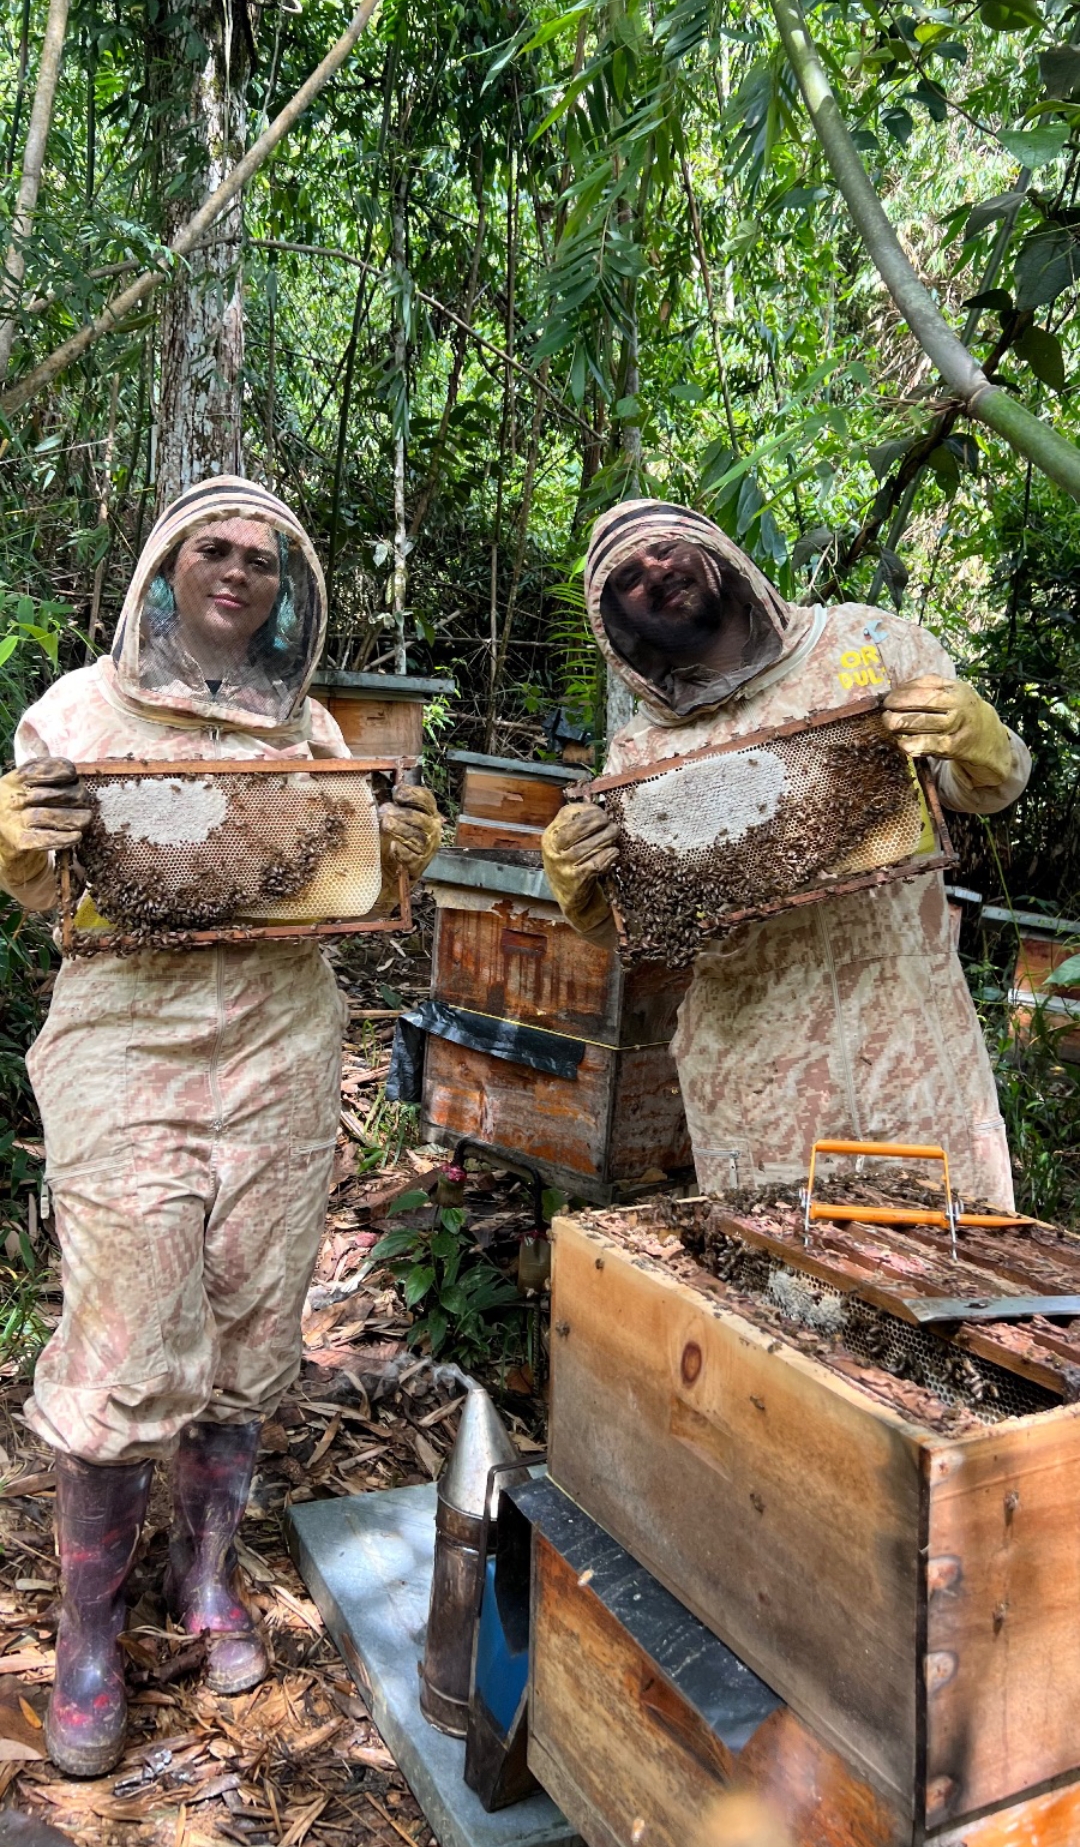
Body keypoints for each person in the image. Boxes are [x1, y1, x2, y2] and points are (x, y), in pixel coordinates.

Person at [0, 476, 442, 1777]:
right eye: (214, 549)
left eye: (261, 555)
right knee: (133, 1335)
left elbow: (356, 881)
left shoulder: (308, 729)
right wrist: (12, 833)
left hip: (282, 1052)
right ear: (167, 568)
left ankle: (202, 1576)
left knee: (250, 1326)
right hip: (126, 1049)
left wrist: (399, 844)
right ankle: (89, 1633)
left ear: (286, 584)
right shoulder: (76, 710)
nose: (236, 571)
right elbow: (38, 888)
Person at [542, 498, 1030, 1209]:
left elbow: (980, 787)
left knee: (951, 1289)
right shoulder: (638, 753)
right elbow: (642, 931)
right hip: (751, 1078)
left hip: (908, 1054)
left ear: (715, 551)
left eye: (666, 549)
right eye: (626, 578)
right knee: (783, 1307)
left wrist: (981, 737)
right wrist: (583, 892)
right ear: (616, 620)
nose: (656, 573)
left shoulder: (869, 642)